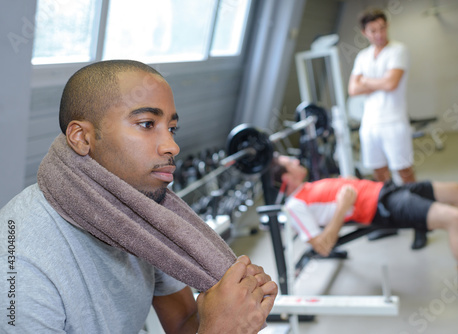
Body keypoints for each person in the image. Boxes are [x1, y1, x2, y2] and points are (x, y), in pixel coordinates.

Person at [0, 60, 277, 333]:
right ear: (82, 138)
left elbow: (183, 322)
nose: (172, 146)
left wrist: (234, 312)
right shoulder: (19, 262)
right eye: (146, 124)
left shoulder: (144, 213)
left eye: (171, 128)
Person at [272, 155, 458, 317]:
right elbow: (322, 247)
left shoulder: (309, 186)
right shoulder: (295, 205)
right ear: (285, 179)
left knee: (455, 190)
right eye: (289, 163)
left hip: (385, 189)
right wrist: (343, 208)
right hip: (382, 206)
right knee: (454, 218)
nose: (296, 161)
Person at [348, 8, 427, 248]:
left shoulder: (398, 50)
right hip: (370, 124)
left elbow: (391, 83)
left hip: (394, 122)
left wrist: (367, 82)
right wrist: (376, 82)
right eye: (374, 30)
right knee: (379, 177)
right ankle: (390, 222)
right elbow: (353, 89)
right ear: (365, 32)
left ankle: (420, 225)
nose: (380, 34)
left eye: (383, 28)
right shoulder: (362, 56)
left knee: (404, 174)